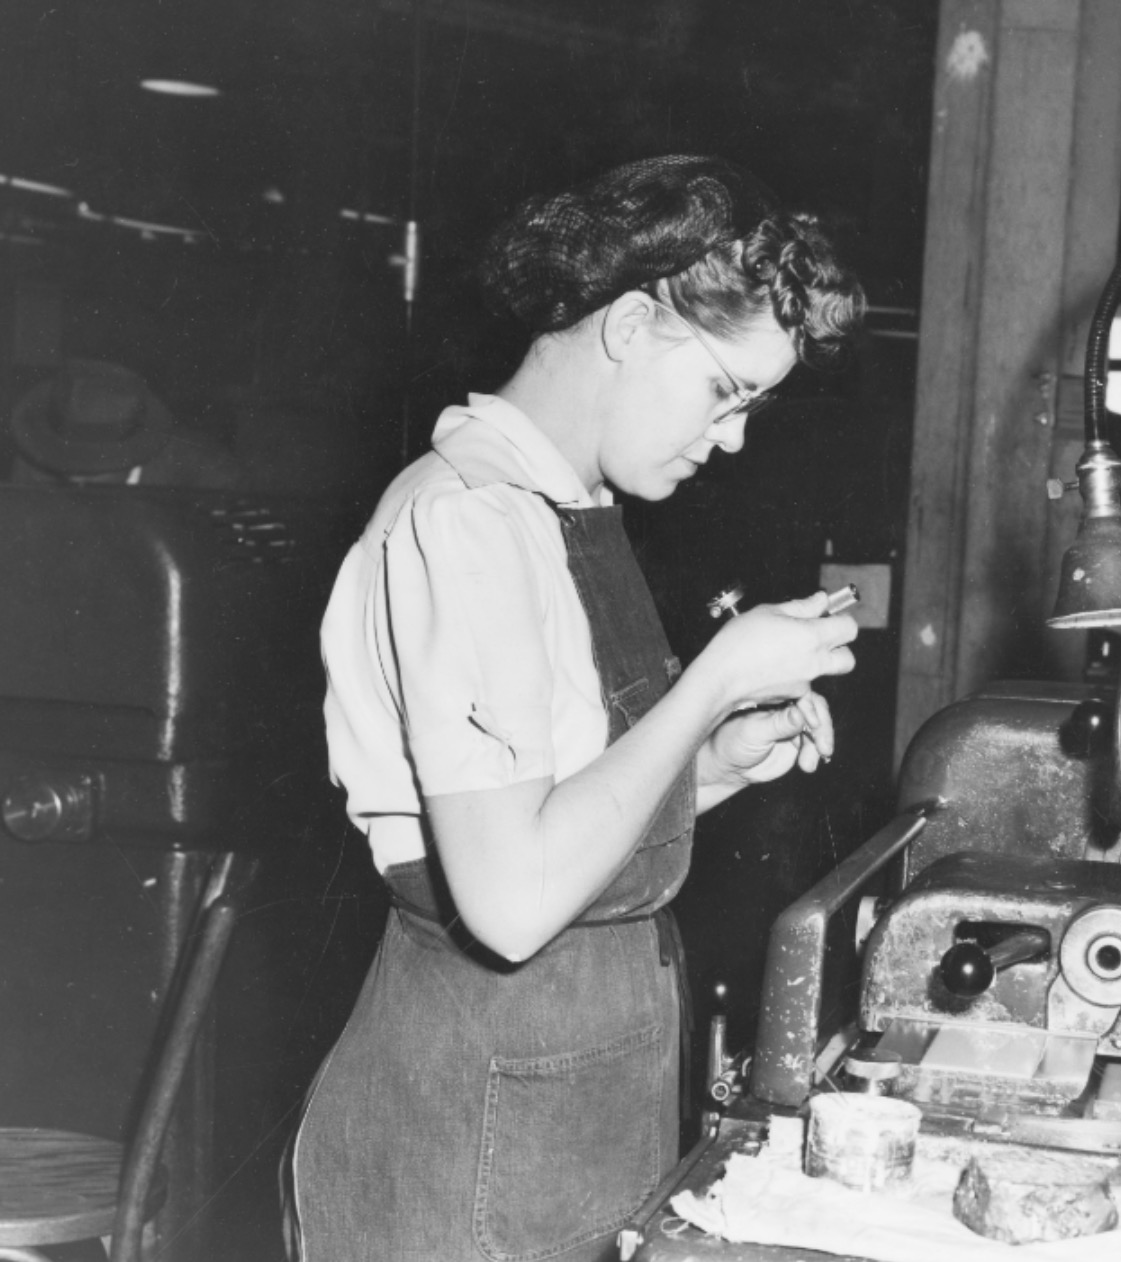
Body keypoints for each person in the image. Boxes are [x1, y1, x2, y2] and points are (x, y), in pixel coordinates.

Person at [289, 156, 864, 1261]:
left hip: (575, 1088)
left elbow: (556, 811)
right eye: (724, 390)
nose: (733, 435)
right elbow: (508, 898)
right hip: (476, 1126)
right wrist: (709, 680)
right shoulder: (468, 523)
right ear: (630, 325)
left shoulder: (567, 507)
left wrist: (716, 761)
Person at [8, 358, 239, 488]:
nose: (76, 480)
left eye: (91, 472)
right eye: (66, 462)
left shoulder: (202, 467)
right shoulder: (35, 459)